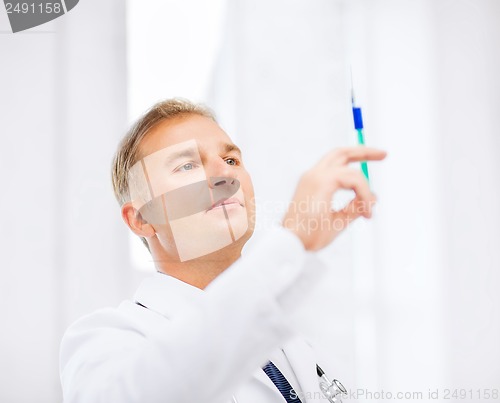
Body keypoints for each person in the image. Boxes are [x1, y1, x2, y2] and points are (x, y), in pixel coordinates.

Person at [59, 98, 386, 403]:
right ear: (143, 219)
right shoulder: (104, 341)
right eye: (187, 165)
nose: (226, 173)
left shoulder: (303, 350)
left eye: (231, 159)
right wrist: (291, 241)